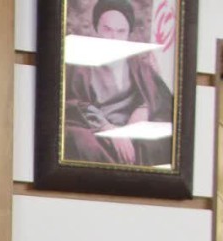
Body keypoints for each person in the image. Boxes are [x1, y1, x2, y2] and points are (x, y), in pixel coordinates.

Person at [64, 0, 174, 166]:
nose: (113, 37)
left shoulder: (137, 65)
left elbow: (156, 97)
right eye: (107, 29)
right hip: (97, 129)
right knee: (79, 140)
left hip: (132, 131)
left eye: (120, 31)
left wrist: (142, 111)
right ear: (96, 29)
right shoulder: (80, 66)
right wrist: (109, 130)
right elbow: (74, 102)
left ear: (128, 34)